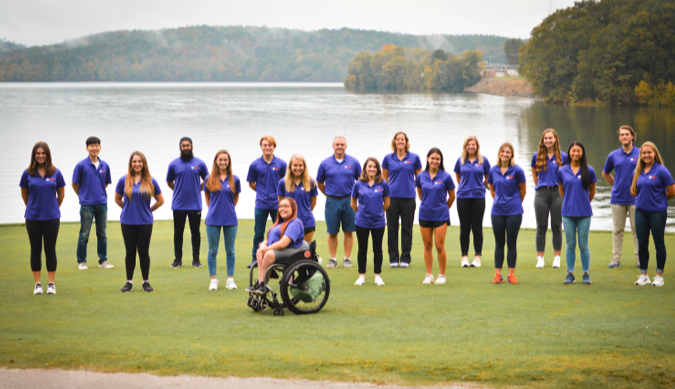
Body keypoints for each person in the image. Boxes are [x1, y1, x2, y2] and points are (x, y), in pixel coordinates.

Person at [115, 152, 164, 292]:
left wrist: (148, 211)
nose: (137, 164)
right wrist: (127, 209)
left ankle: (145, 282)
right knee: (130, 252)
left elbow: (160, 200)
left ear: (144, 163)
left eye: (139, 161)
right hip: (127, 221)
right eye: (134, 161)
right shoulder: (123, 180)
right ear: (131, 163)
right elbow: (117, 199)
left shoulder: (150, 180)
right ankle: (129, 282)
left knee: (143, 252)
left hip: (145, 222)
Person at [21, 142, 65, 295]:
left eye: (43, 153)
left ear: (47, 155)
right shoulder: (27, 173)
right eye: (38, 153)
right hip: (33, 218)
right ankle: (38, 284)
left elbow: (61, 195)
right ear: (34, 155)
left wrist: (51, 207)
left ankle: (51, 284)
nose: (40, 156)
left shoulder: (56, 173)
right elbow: (25, 195)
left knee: (50, 250)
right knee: (35, 250)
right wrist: (34, 207)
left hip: (52, 218)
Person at [631, 142, 675, 287]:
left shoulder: (661, 170)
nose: (646, 155)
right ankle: (644, 275)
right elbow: (633, 190)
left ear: (654, 153)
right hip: (641, 213)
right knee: (642, 244)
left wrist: (660, 201)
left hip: (658, 213)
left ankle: (659, 275)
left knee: (659, 243)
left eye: (649, 153)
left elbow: (671, 191)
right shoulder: (637, 171)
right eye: (644, 153)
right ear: (641, 155)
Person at [246, 198, 309, 294]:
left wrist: (267, 249)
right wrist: (263, 244)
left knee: (268, 254)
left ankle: (263, 285)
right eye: (280, 206)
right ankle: (260, 283)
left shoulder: (295, 223)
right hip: (281, 250)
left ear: (293, 208)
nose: (282, 209)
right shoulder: (280, 224)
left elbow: (283, 243)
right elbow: (271, 240)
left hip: (293, 250)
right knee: (259, 251)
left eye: (286, 206)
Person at [317, 136, 361, 269]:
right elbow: (319, 183)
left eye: (342, 144)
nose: (340, 147)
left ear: (346, 146)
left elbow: (360, 181)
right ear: (333, 146)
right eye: (337, 144)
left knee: (348, 231)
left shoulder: (353, 162)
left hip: (349, 200)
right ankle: (333, 259)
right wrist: (329, 193)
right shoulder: (325, 163)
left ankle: (347, 259)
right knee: (332, 231)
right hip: (332, 200)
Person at [557, 142, 597, 285]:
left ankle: (586, 274)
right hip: (567, 213)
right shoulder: (562, 170)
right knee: (570, 244)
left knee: (583, 244)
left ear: (582, 152)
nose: (575, 153)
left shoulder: (589, 170)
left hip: (584, 213)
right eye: (573, 151)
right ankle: (570, 274)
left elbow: (592, 191)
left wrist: (583, 202)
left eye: (578, 151)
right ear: (569, 152)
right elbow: (562, 191)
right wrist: (570, 202)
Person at [72, 136, 113, 270]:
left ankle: (103, 261)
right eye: (91, 146)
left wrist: (98, 193)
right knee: (84, 234)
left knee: (102, 234)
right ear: (87, 148)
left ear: (100, 148)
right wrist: (83, 195)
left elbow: (105, 183)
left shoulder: (105, 165)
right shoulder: (81, 165)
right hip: (86, 205)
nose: (94, 148)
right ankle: (82, 261)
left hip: (102, 203)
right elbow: (74, 183)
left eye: (96, 145)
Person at [382, 132, 422, 268]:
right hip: (392, 198)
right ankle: (393, 258)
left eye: (402, 139)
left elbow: (420, 178)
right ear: (394, 142)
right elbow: (384, 180)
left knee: (407, 228)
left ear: (406, 142)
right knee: (392, 229)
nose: (400, 142)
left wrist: (411, 185)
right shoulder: (388, 158)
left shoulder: (414, 158)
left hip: (409, 198)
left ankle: (405, 258)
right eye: (398, 139)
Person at [416, 148, 456, 285]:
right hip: (425, 214)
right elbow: (420, 194)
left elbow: (452, 196)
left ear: (440, 161)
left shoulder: (446, 176)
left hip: (441, 216)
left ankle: (442, 275)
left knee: (439, 246)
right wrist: (428, 204)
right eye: (432, 158)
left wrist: (443, 208)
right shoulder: (421, 176)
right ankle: (429, 275)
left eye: (437, 159)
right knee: (427, 245)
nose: (434, 161)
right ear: (427, 159)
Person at [602, 125, 640, 268]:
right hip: (617, 198)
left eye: (627, 134)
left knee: (637, 229)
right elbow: (605, 173)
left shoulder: (641, 153)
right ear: (619, 137)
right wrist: (615, 185)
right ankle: (616, 258)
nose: (624, 137)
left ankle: (639, 258)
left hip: (636, 199)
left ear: (632, 136)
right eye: (622, 135)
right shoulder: (613, 155)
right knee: (618, 229)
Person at [488, 143, 526, 284]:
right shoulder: (493, 170)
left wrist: (515, 203)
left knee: (511, 242)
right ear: (499, 153)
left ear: (512, 154)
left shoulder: (517, 170)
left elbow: (523, 191)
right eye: (503, 151)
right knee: (499, 242)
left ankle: (511, 275)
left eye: (508, 152)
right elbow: (492, 189)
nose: (505, 154)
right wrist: (500, 201)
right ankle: (498, 275)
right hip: (497, 211)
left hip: (514, 211)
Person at [167, 137, 208, 269]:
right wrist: (178, 190)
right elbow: (169, 182)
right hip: (178, 205)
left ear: (192, 147)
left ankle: (196, 260)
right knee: (178, 233)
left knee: (195, 233)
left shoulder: (200, 163)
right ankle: (177, 260)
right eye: (183, 146)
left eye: (188, 145)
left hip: (195, 204)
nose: (186, 148)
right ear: (180, 147)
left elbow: (207, 180)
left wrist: (198, 189)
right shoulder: (174, 164)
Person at [247, 136, 287, 268]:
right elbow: (252, 183)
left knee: (280, 231)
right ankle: (255, 258)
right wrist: (261, 192)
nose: (267, 147)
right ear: (261, 147)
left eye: (270, 145)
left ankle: (280, 256)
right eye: (265, 145)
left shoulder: (281, 164)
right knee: (259, 232)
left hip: (278, 204)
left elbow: (286, 183)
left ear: (274, 147)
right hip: (261, 203)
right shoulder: (255, 164)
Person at [204, 150, 241, 291]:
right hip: (213, 219)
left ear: (229, 161)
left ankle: (230, 279)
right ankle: (213, 279)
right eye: (220, 160)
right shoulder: (209, 178)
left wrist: (227, 209)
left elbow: (235, 198)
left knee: (230, 250)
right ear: (216, 161)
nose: (223, 162)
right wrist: (214, 209)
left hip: (230, 219)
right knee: (212, 250)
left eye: (225, 160)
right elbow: (207, 197)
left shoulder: (234, 179)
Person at [351, 157, 390, 286]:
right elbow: (353, 203)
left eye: (374, 167)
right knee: (362, 249)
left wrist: (378, 211)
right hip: (361, 221)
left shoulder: (383, 184)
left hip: (378, 221)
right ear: (365, 169)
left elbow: (387, 203)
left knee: (377, 249)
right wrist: (361, 213)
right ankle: (361, 275)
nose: (372, 169)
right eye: (369, 167)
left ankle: (377, 276)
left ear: (378, 169)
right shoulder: (358, 184)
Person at [531, 129, 567, 269]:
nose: (548, 141)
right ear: (542, 140)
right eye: (545, 138)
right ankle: (540, 258)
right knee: (541, 227)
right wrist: (540, 185)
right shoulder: (537, 155)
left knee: (557, 227)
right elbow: (534, 173)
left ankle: (557, 258)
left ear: (555, 139)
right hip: (541, 194)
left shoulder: (563, 156)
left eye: (550, 138)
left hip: (558, 193)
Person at [454, 136, 490, 268]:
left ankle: (477, 257)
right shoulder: (461, 160)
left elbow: (488, 177)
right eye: (468, 145)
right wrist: (464, 186)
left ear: (477, 146)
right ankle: (464, 257)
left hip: (478, 197)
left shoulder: (483, 160)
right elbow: (458, 176)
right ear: (465, 147)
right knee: (464, 228)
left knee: (477, 228)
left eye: (473, 145)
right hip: (463, 197)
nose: (471, 147)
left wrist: (480, 185)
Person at [278, 154, 318, 243]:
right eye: (295, 165)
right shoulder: (282, 182)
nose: (298, 168)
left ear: (304, 166)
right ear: (290, 166)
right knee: (290, 251)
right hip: (289, 222)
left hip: (307, 222)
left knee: (306, 250)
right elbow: (281, 203)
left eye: (300, 165)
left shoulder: (311, 182)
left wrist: (305, 213)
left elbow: (313, 202)